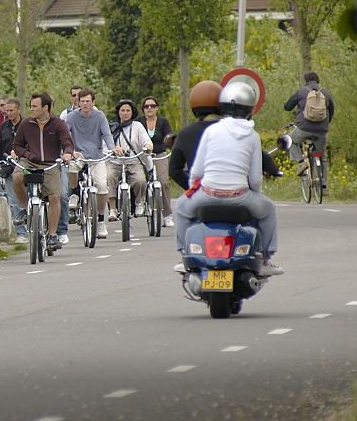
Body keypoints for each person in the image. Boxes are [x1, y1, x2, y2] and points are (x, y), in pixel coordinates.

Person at [173, 82, 283, 276]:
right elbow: (255, 180)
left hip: (207, 193)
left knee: (180, 207)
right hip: (239, 197)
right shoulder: (252, 136)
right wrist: (254, 197)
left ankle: (184, 255)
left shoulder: (211, 131)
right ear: (251, 110)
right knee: (268, 209)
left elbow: (196, 171)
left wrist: (195, 189)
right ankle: (265, 259)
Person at [12, 92, 74, 253]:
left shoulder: (58, 124)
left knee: (55, 196)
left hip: (50, 164)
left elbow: (68, 143)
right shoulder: (26, 124)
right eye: (31, 106)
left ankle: (52, 235)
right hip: (29, 162)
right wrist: (26, 154)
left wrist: (67, 153)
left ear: (45, 108)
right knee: (17, 176)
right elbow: (17, 145)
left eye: (34, 106)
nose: (31, 109)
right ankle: (24, 208)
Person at [65, 89, 115, 238]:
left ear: (93, 102)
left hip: (96, 156)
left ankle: (100, 221)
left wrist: (113, 148)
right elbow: (65, 134)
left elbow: (107, 134)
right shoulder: (71, 117)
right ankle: (74, 193)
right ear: (78, 102)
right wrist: (68, 151)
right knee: (72, 167)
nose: (85, 104)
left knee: (101, 185)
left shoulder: (100, 116)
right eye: (82, 101)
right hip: (78, 154)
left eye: (88, 101)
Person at [283, 71, 334, 194]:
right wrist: (325, 124)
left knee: (290, 140)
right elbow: (331, 111)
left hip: (303, 129)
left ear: (306, 81)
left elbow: (287, 107)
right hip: (321, 131)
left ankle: (301, 163)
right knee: (321, 156)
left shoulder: (301, 92)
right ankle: (323, 185)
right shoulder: (326, 93)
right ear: (318, 80)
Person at [106, 99, 154, 221]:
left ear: (132, 113)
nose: (125, 113)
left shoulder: (137, 126)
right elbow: (104, 144)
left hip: (133, 161)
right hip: (115, 161)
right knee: (109, 177)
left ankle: (139, 203)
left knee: (140, 180)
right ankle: (112, 209)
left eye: (128, 110)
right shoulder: (112, 127)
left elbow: (146, 140)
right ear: (118, 112)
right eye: (123, 110)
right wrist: (113, 149)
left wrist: (147, 146)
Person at [0, 97, 28, 243]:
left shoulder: (28, 125)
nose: (8, 113)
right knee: (13, 200)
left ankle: (35, 223)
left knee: (29, 195)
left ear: (18, 110)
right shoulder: (3, 127)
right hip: (9, 166)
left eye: (11, 110)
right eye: (6, 110)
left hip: (25, 165)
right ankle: (21, 232)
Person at [140, 95, 174, 227]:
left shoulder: (163, 122)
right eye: (146, 106)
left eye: (152, 106)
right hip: (143, 156)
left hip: (159, 154)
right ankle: (139, 205)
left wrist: (172, 145)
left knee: (164, 182)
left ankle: (167, 215)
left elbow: (169, 136)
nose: (149, 108)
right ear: (143, 109)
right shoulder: (138, 122)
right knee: (139, 180)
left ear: (157, 108)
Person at [56, 85, 84, 244]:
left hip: (88, 152)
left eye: (80, 95)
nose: (77, 98)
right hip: (70, 152)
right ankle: (73, 193)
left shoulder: (94, 112)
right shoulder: (65, 114)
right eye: (74, 95)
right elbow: (63, 134)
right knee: (65, 189)